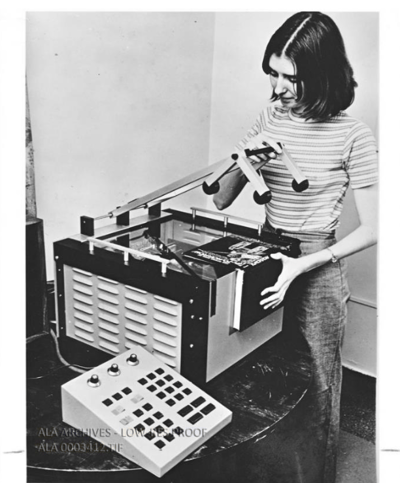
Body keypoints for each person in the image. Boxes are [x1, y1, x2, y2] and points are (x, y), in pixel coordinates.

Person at [213, 12, 378, 483]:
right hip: (267, 253)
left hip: (316, 261)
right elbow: (223, 197)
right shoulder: (269, 116)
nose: (279, 87)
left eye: (292, 77)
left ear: (323, 74)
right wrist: (244, 161)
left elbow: (379, 227)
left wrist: (305, 264)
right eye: (273, 73)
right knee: (254, 368)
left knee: (319, 383)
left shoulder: (353, 135)